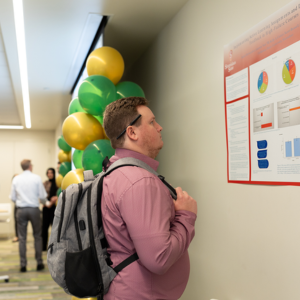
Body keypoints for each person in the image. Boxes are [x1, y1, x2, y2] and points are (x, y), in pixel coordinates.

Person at [102, 97, 197, 300]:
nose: (160, 127)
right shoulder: (139, 181)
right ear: (132, 132)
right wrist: (186, 216)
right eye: (152, 122)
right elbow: (158, 259)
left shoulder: (115, 171)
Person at [10, 159, 50, 272]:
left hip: (21, 210)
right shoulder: (36, 178)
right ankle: (39, 263)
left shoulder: (16, 179)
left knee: (22, 239)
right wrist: (45, 203)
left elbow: (12, 197)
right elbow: (42, 196)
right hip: (34, 210)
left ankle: (23, 265)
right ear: (30, 167)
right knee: (37, 236)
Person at [42, 168, 58, 251]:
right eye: (48, 173)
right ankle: (43, 247)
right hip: (46, 208)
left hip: (54, 209)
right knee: (44, 228)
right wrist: (47, 203)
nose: (50, 174)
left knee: (54, 229)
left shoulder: (58, 183)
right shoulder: (45, 183)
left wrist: (54, 199)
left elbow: (59, 194)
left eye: (51, 172)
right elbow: (41, 195)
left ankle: (54, 247)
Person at [12, 174, 19, 243]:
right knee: (16, 221)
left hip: (23, 206)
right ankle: (17, 236)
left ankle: (22, 236)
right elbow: (13, 198)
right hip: (17, 205)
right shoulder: (13, 187)